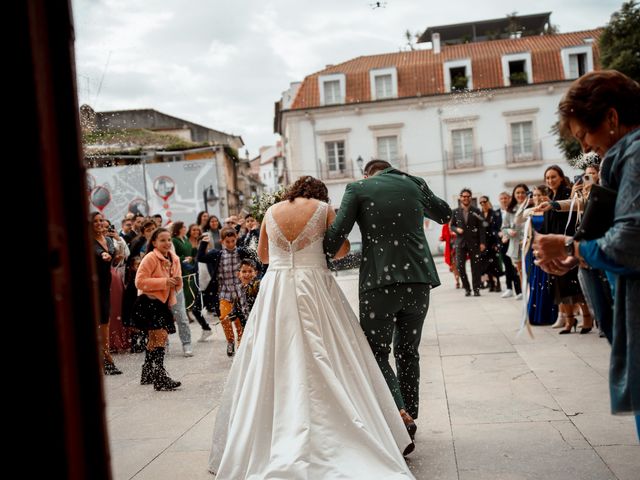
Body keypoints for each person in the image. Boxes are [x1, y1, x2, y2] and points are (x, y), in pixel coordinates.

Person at [209, 176, 416, 478]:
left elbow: (264, 256)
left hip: (277, 289)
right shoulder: (323, 208)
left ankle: (271, 434)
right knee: (332, 353)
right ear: (320, 193)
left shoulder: (271, 212)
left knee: (273, 357)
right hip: (314, 285)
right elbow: (340, 250)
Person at [532, 70, 639, 438]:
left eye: (585, 136)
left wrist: (567, 245)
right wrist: (577, 256)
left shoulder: (635, 155)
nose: (586, 149)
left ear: (611, 118)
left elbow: (629, 244)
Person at [324, 160, 452, 443]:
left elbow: (336, 236)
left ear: (367, 174)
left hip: (378, 284)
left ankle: (400, 412)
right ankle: (411, 412)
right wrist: (415, 185)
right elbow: (445, 214)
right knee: (408, 349)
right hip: (419, 280)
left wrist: (317, 252)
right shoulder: (414, 183)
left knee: (377, 352)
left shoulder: (358, 188)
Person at [133, 227, 183, 391]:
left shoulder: (174, 258)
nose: (167, 243)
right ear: (154, 242)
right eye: (162, 240)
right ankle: (160, 376)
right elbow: (139, 282)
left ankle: (147, 371)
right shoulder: (150, 257)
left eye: (169, 240)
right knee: (160, 335)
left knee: (155, 339)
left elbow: (177, 283)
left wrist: (175, 282)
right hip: (148, 302)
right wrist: (164, 282)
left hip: (162, 303)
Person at [451, 188, 486, 296]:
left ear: (470, 198)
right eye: (463, 196)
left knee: (475, 267)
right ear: (460, 198)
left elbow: (482, 228)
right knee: (460, 266)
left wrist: (482, 242)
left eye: (468, 196)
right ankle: (467, 288)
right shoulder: (455, 212)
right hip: (460, 243)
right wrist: (457, 230)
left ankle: (476, 289)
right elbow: (452, 226)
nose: (465, 198)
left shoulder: (477, 211)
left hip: (474, 242)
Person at [497, 191, 522, 299]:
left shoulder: (514, 210)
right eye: (502, 198)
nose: (504, 200)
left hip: (515, 241)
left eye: (506, 198)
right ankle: (509, 288)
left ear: (509, 199)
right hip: (503, 243)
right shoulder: (496, 213)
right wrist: (501, 234)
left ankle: (519, 290)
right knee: (507, 266)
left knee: (515, 267)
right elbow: (494, 228)